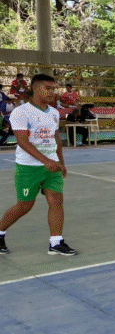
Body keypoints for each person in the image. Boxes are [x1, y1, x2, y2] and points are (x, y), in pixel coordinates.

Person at [0, 74, 77, 256]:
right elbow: (22, 142)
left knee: (56, 201)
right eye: (47, 88)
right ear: (35, 89)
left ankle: (56, 242)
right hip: (28, 167)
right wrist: (46, 161)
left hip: (52, 166)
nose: (52, 92)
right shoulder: (21, 112)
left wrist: (60, 162)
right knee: (25, 205)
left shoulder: (54, 112)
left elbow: (55, 138)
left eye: (53, 88)